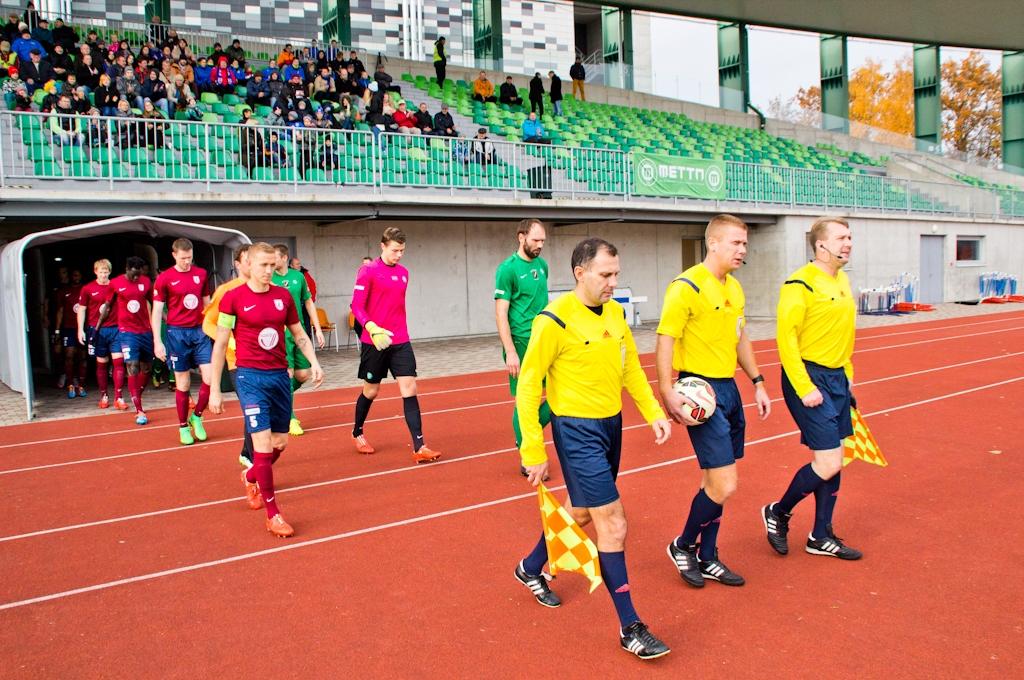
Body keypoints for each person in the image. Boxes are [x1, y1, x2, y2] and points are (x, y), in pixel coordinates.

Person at [515, 237, 672, 660]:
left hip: (611, 426)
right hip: (576, 431)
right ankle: (630, 626)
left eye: (616, 273)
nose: (613, 282)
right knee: (614, 524)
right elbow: (528, 387)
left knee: (583, 513)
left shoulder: (617, 313)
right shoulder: (554, 320)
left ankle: (530, 567)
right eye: (605, 274)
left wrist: (653, 410)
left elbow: (630, 369)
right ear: (579, 272)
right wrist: (533, 449)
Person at [656, 214, 771, 589]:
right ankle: (683, 545)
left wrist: (757, 381)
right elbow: (665, 338)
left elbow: (740, 338)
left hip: (729, 389)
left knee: (713, 480)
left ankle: (708, 556)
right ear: (714, 243)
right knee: (724, 484)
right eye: (736, 243)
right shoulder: (686, 286)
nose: (743, 250)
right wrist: (666, 389)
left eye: (745, 244)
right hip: (698, 392)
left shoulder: (734, 289)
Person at [761, 217, 862, 560]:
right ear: (821, 245)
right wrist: (804, 386)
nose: (848, 242)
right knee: (829, 460)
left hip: (835, 378)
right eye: (840, 237)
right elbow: (786, 339)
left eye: (849, 237)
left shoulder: (843, 279)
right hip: (807, 377)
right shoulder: (799, 284)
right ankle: (778, 511)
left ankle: (820, 535)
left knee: (834, 458)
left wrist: (847, 376)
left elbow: (844, 333)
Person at [209, 242, 325, 539]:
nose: (268, 271)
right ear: (247, 263)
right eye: (263, 265)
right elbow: (221, 344)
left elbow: (299, 333)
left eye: (272, 266)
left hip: (278, 377)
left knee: (280, 444)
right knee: (260, 444)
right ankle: (274, 514)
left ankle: (250, 474)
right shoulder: (232, 298)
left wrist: (314, 362)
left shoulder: (283, 296)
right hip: (249, 378)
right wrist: (214, 390)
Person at [349, 227, 441, 463]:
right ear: (383, 246)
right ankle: (357, 432)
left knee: (409, 388)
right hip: (375, 341)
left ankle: (420, 446)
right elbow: (356, 306)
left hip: (400, 339)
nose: (399, 255)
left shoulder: (404, 273)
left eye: (402, 251)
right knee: (371, 390)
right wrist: (370, 326)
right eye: (395, 250)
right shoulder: (368, 271)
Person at [494, 219, 552, 476]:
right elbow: (501, 313)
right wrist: (510, 351)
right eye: (535, 240)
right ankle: (527, 453)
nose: (540, 245)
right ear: (521, 237)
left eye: (543, 241)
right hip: (520, 342)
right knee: (525, 402)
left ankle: (529, 435)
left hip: (545, 341)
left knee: (560, 394)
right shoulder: (507, 270)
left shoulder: (542, 265)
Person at [152, 238, 215, 446]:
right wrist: (157, 342)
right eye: (183, 258)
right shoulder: (164, 278)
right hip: (177, 333)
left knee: (210, 378)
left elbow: (207, 304)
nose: (187, 262)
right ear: (174, 255)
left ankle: (197, 416)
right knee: (183, 382)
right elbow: (157, 311)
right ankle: (182, 426)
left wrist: (212, 328)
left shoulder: (201, 274)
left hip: (200, 332)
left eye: (190, 257)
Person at [203, 244, 256, 469]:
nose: (253, 265)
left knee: (266, 416)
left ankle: (249, 452)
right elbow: (208, 323)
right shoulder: (227, 291)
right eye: (248, 260)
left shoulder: (269, 289)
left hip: (266, 364)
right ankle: (252, 460)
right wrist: (230, 341)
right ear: (237, 264)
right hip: (238, 363)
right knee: (255, 410)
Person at [272, 244, 325, 436]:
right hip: (280, 334)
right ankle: (290, 418)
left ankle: (278, 396)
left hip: (299, 331)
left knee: (303, 374)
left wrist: (317, 328)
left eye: (275, 258)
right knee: (288, 374)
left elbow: (309, 302)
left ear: (284, 258)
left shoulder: (298, 277)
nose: (271, 262)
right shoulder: (269, 278)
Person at [99, 257, 154, 425]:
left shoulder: (146, 282)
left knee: (146, 368)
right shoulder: (115, 283)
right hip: (127, 332)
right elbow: (107, 306)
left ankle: (137, 393)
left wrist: (167, 319)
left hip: (145, 330)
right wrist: (97, 326)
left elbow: (154, 302)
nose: (136, 278)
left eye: (139, 274)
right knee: (132, 366)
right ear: (127, 269)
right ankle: (139, 409)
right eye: (134, 274)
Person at [55, 268, 87, 398]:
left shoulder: (85, 289)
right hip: (69, 328)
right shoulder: (64, 291)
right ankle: (70, 385)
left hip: (84, 328)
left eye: (78, 275)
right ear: (71, 276)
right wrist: (57, 331)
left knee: (83, 357)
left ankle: (81, 385)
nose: (76, 277)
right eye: (74, 275)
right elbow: (60, 311)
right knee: (69, 356)